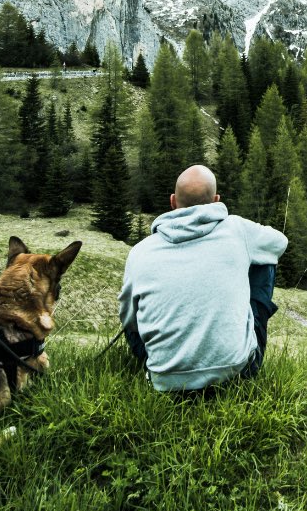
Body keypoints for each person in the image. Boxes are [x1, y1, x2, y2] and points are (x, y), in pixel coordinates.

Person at [118, 164, 288, 392]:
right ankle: (235, 342)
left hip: (165, 381)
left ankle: (166, 362)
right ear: (216, 200)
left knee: (132, 313)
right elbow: (279, 243)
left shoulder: (139, 251)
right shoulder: (238, 230)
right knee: (265, 260)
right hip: (238, 373)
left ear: (172, 202)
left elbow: (130, 321)